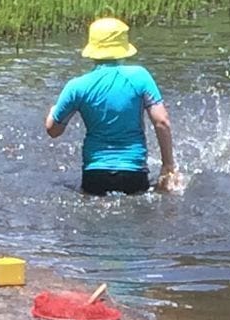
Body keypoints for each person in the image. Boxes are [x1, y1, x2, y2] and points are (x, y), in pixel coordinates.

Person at [45, 17, 179, 196]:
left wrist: (53, 111)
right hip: (134, 173)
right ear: (123, 48)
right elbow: (162, 122)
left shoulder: (76, 86)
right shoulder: (140, 77)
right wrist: (168, 166)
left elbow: (53, 130)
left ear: (92, 48)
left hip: (94, 175)